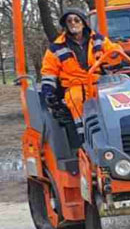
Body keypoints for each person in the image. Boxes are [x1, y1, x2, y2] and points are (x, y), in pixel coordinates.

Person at [41, 8, 117, 139]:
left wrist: (115, 57)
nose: (73, 23)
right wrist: (48, 91)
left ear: (83, 23)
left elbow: (114, 51)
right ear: (65, 25)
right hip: (74, 85)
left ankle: (114, 133)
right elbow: (49, 71)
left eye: (77, 20)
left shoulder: (99, 40)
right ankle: (84, 137)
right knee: (76, 99)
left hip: (98, 83)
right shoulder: (56, 47)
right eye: (69, 21)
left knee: (111, 101)